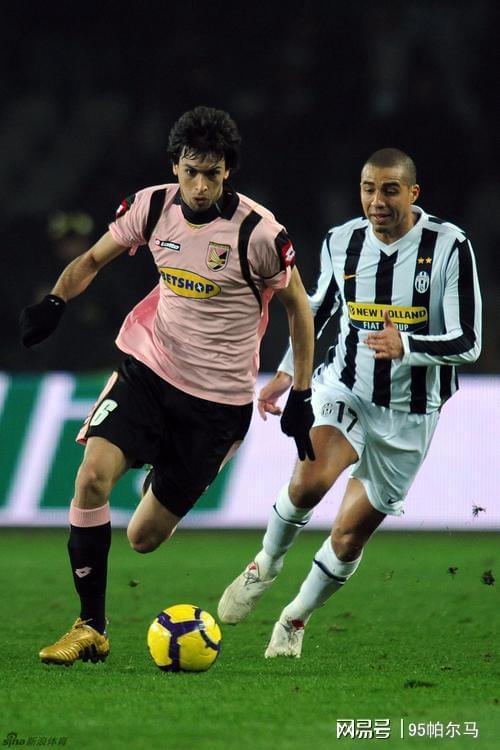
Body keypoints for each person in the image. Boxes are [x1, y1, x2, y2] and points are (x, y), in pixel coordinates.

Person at [19, 106, 316, 666]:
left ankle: (162, 471)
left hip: (217, 403)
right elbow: (92, 259)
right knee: (90, 479)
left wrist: (301, 393)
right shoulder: (152, 207)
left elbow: (299, 309)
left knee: (144, 537)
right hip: (149, 368)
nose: (200, 186)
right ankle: (91, 627)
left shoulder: (259, 233)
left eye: (212, 174)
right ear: (175, 166)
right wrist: (55, 301)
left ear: (228, 171)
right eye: (191, 172)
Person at [218, 147, 482, 658]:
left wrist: (407, 345)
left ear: (413, 193)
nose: (376, 201)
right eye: (368, 189)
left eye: (389, 190)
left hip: (411, 414)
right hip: (346, 388)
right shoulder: (342, 241)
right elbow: (316, 310)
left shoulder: (450, 246)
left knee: (347, 538)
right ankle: (265, 564)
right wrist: (285, 372)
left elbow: (468, 340)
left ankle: (294, 617)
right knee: (310, 481)